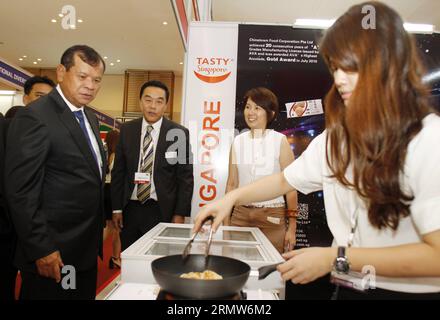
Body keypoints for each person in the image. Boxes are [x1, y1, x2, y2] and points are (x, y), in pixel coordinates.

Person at [194, 2, 440, 299]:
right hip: (349, 286)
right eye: (335, 67)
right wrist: (232, 198)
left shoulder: (428, 139)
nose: (338, 79)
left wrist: (333, 257)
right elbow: (285, 180)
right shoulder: (337, 138)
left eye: (351, 66)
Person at [5, 45, 107, 300]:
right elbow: (21, 191)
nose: (90, 85)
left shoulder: (90, 118)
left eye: (96, 80)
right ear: (61, 72)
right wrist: (41, 249)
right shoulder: (36, 117)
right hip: (52, 254)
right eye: (82, 76)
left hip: (83, 250)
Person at [111, 80, 194, 251]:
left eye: (159, 101)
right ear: (140, 102)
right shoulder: (127, 130)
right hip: (130, 209)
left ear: (166, 105)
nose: (152, 106)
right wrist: (116, 208)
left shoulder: (177, 133)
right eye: (148, 100)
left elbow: (185, 177)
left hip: (162, 210)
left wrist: (180, 214)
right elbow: (119, 172)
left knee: (158, 260)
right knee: (130, 256)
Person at [226, 87, 297, 253]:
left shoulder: (280, 141)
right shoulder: (238, 141)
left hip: (271, 217)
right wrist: (226, 222)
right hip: (240, 216)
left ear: (270, 113)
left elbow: (291, 186)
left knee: (270, 272)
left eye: (257, 108)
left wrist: (292, 228)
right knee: (237, 269)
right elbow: (231, 184)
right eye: (248, 107)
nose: (251, 112)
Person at [103, 129, 122, 269]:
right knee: (115, 228)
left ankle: (115, 257)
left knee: (111, 226)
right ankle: (115, 257)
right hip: (113, 192)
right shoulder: (116, 156)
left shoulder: (105, 154)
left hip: (105, 191)